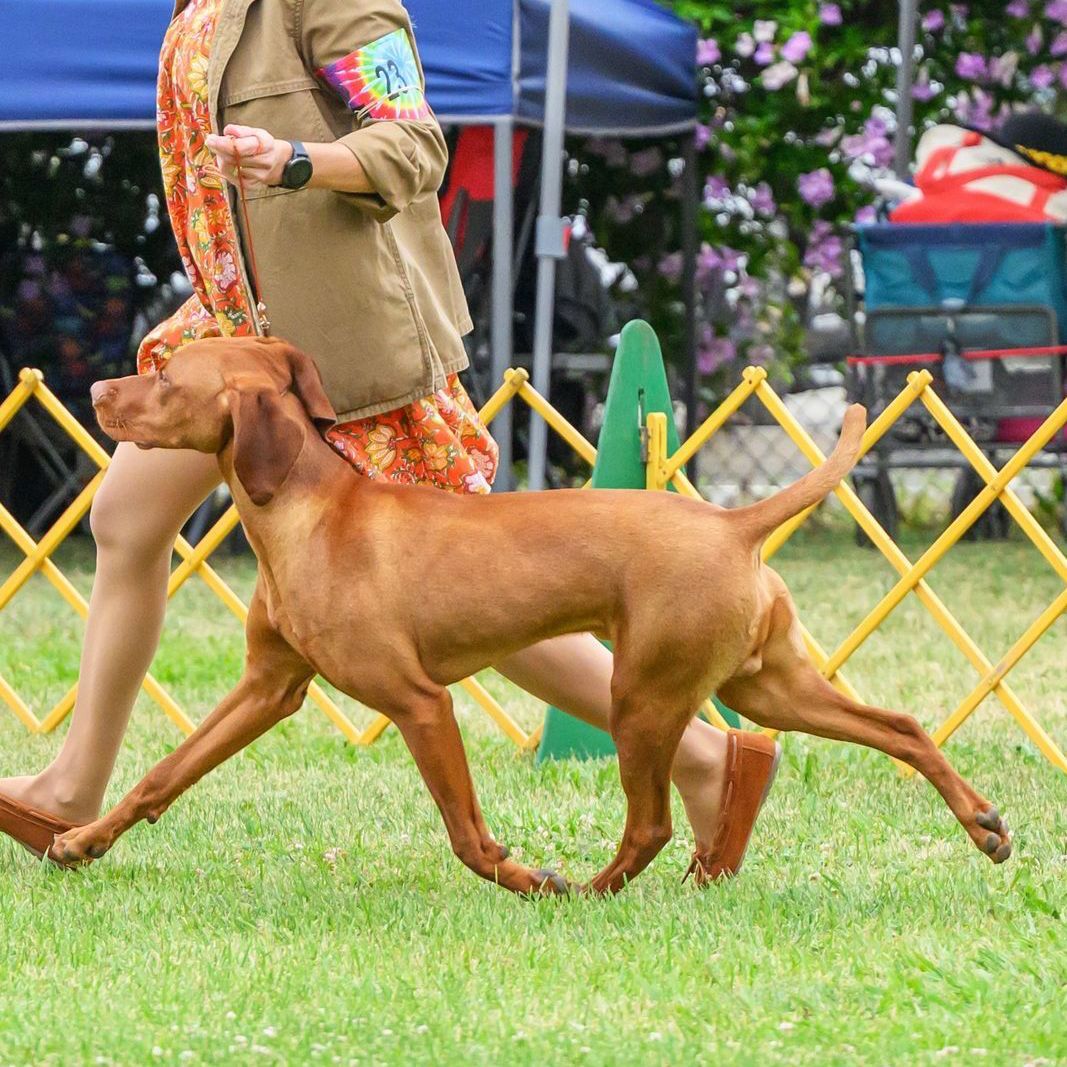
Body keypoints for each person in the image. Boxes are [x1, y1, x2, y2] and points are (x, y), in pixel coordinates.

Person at [0, 0, 778, 880]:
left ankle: (705, 758)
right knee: (126, 519)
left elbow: (413, 146)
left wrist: (296, 160)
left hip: (338, 353)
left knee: (479, 591)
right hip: (232, 330)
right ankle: (72, 785)